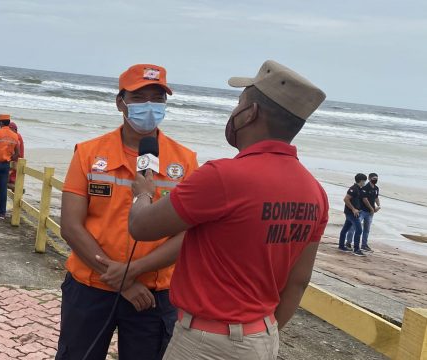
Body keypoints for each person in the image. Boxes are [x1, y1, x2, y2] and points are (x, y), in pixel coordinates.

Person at [126, 60, 329, 360]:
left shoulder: (223, 176)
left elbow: (141, 227)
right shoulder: (315, 192)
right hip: (263, 336)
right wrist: (259, 334)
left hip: (206, 341)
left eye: (239, 104)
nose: (234, 112)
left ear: (251, 113)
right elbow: (298, 281)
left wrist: (142, 195)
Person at [57, 64, 199, 360]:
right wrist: (123, 282)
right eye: (139, 97)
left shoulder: (184, 161)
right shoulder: (88, 152)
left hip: (151, 297)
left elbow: (187, 235)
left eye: (157, 98)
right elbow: (71, 226)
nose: (149, 106)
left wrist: (133, 274)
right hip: (90, 288)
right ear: (120, 102)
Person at [340, 173, 368, 256]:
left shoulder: (359, 189)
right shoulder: (353, 188)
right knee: (359, 230)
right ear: (361, 181)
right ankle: (356, 249)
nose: (365, 183)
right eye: (364, 181)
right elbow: (346, 199)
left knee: (345, 229)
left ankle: (341, 246)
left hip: (354, 212)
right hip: (351, 213)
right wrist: (353, 209)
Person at [360, 172, 380, 252]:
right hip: (363, 211)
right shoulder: (365, 187)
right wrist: (371, 208)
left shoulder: (376, 188)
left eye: (376, 179)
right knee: (355, 227)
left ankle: (364, 245)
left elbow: (376, 198)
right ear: (369, 178)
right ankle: (349, 242)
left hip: (370, 213)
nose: (375, 180)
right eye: (374, 179)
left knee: (367, 229)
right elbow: (365, 199)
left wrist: (378, 206)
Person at [7, 121, 25, 190]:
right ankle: (18, 191)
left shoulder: (16, 137)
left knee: (5, 182)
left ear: (14, 129)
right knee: (11, 181)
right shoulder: (17, 136)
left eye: (10, 129)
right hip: (17, 162)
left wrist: (10, 159)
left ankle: (19, 190)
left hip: (16, 162)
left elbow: (17, 153)